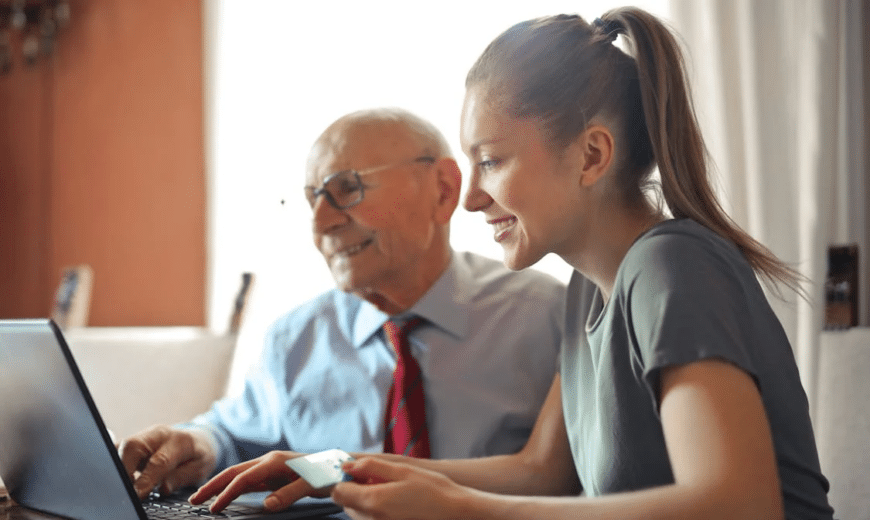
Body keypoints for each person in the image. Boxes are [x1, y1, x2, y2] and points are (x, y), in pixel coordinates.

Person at [189, 7, 834, 519]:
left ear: (590, 157)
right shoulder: (589, 287)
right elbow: (540, 472)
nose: (469, 198)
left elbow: (736, 505)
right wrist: (327, 467)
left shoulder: (670, 268)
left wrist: (460, 510)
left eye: (491, 161)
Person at [118, 108, 565, 501]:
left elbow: (563, 479)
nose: (321, 223)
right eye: (314, 198)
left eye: (345, 189)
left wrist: (329, 469)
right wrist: (196, 444)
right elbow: (234, 435)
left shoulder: (546, 316)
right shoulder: (296, 336)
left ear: (444, 190)